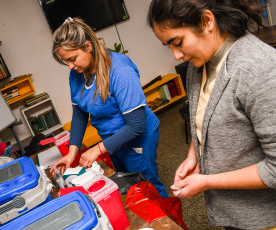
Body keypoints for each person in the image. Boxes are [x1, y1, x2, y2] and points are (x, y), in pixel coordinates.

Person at [148, 0, 276, 229]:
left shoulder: (259, 69)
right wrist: (193, 156)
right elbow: (203, 117)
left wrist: (206, 182)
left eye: (177, 42)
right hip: (231, 212)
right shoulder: (199, 66)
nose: (176, 55)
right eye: (169, 47)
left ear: (207, 21)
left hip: (262, 218)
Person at [50, 17, 168, 198]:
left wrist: (97, 149)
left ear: (88, 46)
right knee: (129, 184)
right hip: (111, 142)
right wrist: (71, 153)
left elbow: (136, 125)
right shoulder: (77, 74)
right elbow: (80, 113)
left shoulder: (120, 71)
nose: (70, 66)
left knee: (148, 186)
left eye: (72, 59)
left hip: (137, 138)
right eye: (66, 61)